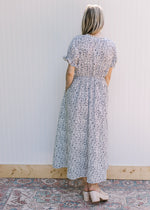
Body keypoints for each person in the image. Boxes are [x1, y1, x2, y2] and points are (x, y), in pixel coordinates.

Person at [52, 4, 117, 203]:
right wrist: (100, 91)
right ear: (101, 21)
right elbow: (108, 76)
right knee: (96, 139)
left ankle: (87, 187)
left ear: (86, 21)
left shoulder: (77, 42)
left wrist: (68, 91)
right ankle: (93, 188)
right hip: (99, 92)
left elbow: (70, 72)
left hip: (77, 92)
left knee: (78, 137)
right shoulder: (110, 45)